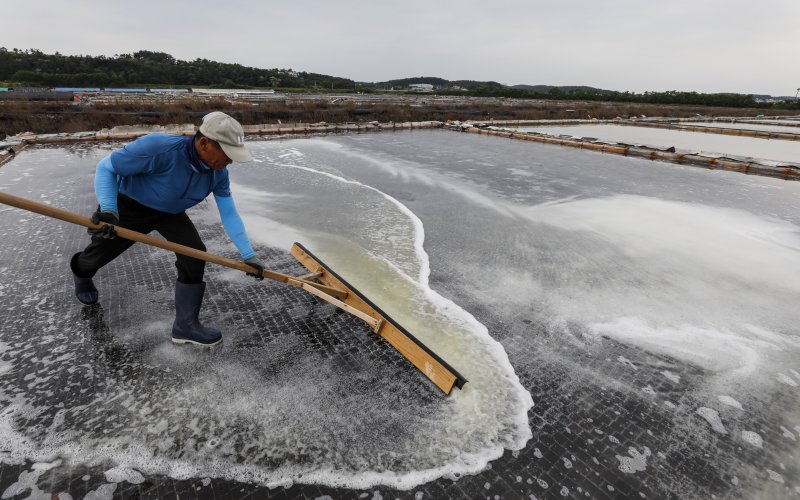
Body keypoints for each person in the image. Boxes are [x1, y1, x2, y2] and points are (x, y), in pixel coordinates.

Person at [69, 111, 264, 347]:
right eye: (227, 154)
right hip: (128, 206)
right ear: (204, 143)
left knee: (194, 254)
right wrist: (109, 210)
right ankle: (82, 272)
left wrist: (248, 255)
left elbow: (229, 213)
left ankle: (185, 327)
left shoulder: (218, 174)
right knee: (98, 255)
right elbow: (106, 167)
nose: (230, 161)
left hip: (170, 213)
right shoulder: (158, 147)